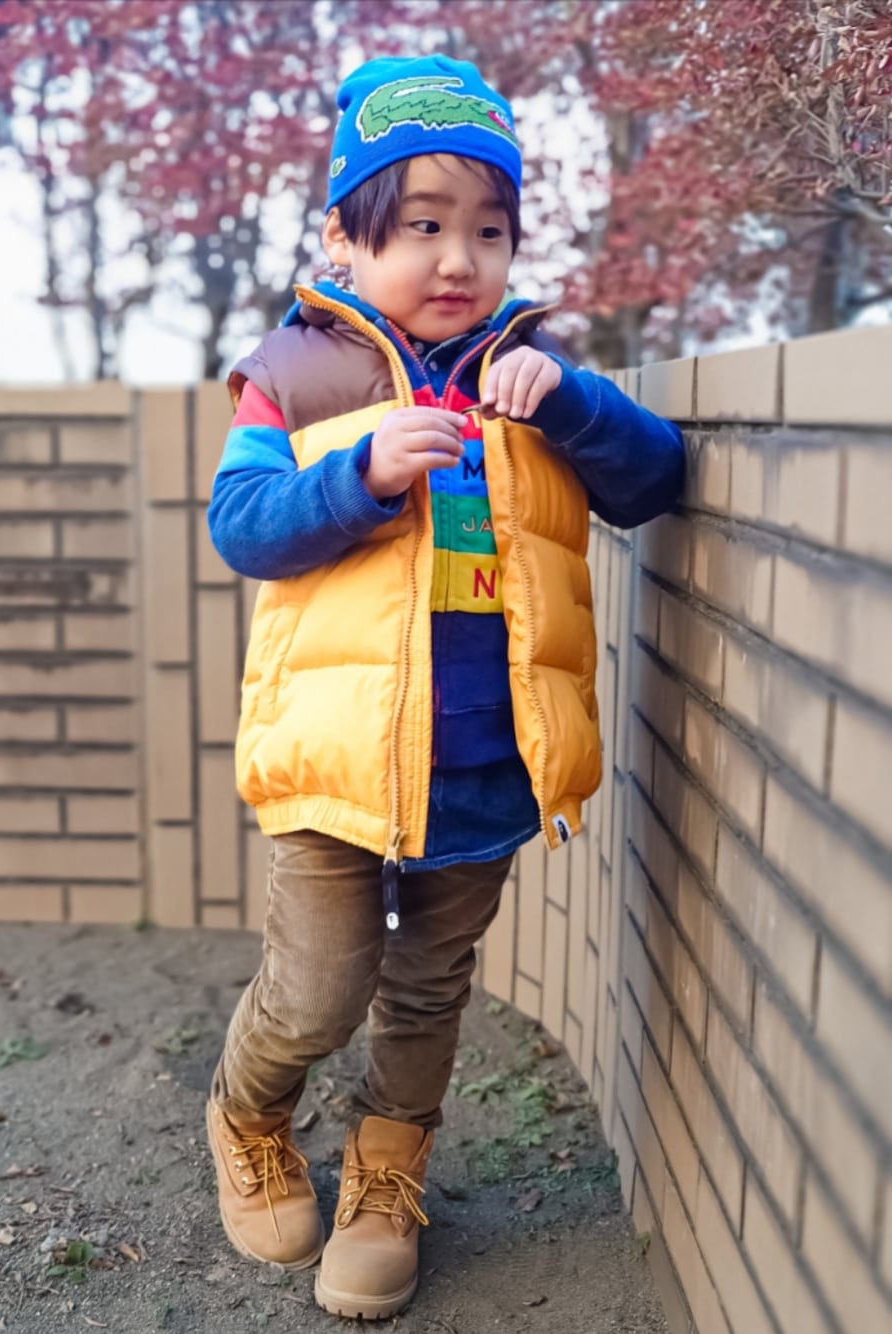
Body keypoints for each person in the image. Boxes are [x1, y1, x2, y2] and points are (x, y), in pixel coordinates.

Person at [205, 54, 685, 1321]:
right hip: (338, 758)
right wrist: (357, 474)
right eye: (420, 226)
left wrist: (572, 405)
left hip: (486, 759)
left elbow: (651, 479)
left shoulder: (532, 370)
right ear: (344, 238)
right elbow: (242, 524)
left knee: (428, 986)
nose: (457, 258)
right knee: (319, 985)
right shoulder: (293, 372)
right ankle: (248, 1110)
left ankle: (386, 1174)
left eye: (487, 230)